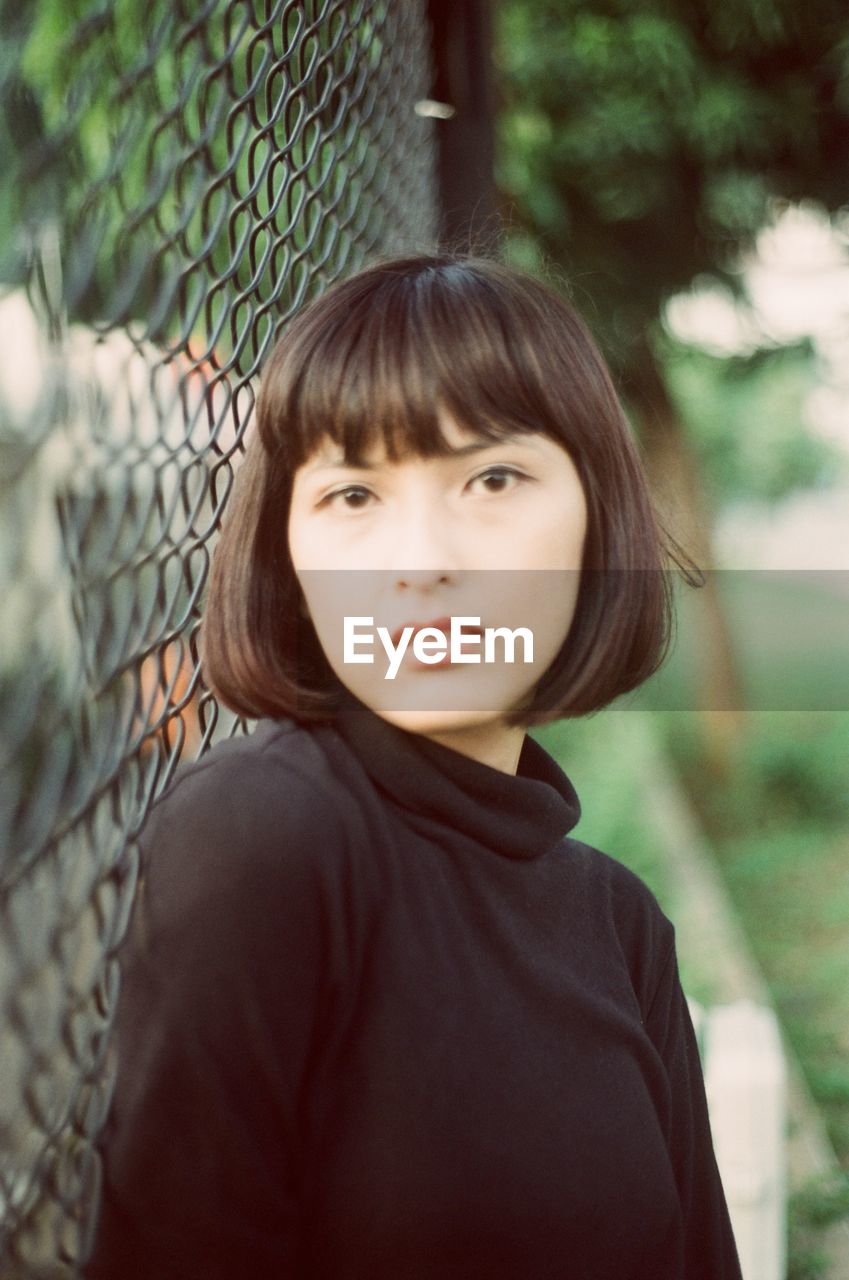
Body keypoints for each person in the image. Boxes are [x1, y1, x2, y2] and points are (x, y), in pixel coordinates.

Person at [86, 254, 742, 1279]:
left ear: (597, 519)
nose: (420, 557)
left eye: (491, 477)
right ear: (291, 563)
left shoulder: (621, 924)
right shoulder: (263, 835)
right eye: (353, 493)